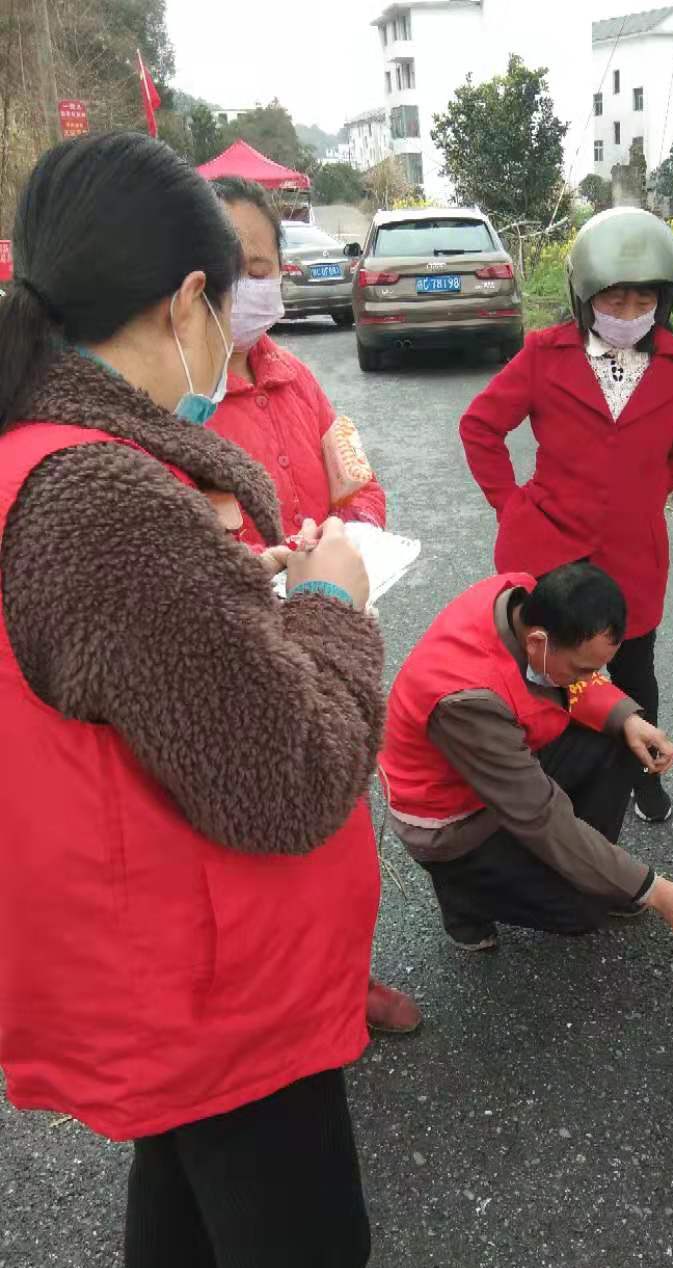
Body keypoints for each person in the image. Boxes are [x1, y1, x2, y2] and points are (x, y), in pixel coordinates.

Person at [0, 134, 463, 1268]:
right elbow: (293, 775)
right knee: (293, 1247)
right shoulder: (103, 498)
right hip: (214, 968)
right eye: (228, 289)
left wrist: (237, 598)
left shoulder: (35, 460)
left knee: (183, 1201)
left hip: (131, 949)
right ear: (183, 304)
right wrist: (326, 599)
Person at [207, 174, 418, 1037]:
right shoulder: (165, 409)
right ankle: (277, 1016)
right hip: (235, 666)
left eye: (257, 264)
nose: (241, 285)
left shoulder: (299, 381)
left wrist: (352, 538)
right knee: (250, 857)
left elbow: (360, 483)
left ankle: (346, 982)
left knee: (343, 838)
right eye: (223, 268)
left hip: (332, 643)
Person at [459, 207, 673, 826]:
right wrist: (510, 504)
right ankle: (547, 793)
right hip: (548, 551)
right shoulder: (545, 354)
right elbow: (481, 426)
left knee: (633, 670)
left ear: (663, 302)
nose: (626, 314)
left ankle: (644, 779)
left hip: (634, 553)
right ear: (585, 297)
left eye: (641, 300)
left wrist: (642, 494)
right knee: (548, 676)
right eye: (613, 300)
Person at [379, 562, 673, 948]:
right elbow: (540, 815)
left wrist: (626, 718)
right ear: (538, 642)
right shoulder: (467, 700)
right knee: (582, 910)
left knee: (623, 745)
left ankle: (586, 870)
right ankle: (462, 899)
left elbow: (573, 683)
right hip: (454, 820)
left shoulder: (521, 600)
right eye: (582, 669)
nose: (589, 678)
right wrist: (656, 892)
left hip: (501, 764)